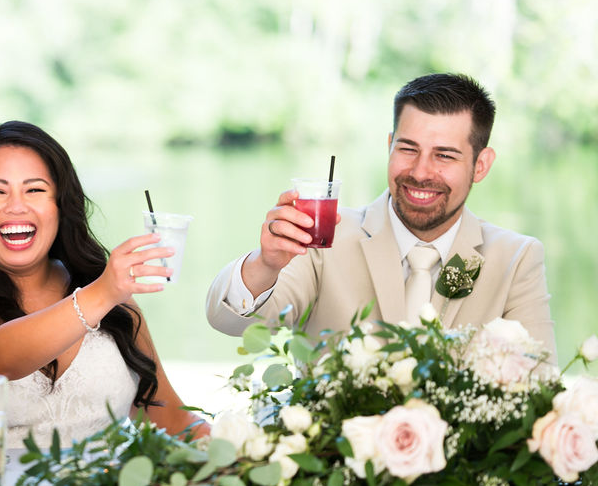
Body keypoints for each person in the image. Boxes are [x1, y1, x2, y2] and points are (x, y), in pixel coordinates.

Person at [206, 72, 557, 360]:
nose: (420, 172)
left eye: (444, 156)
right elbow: (231, 323)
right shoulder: (322, 238)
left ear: (481, 165)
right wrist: (266, 264)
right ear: (390, 144)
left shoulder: (516, 258)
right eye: (408, 148)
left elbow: (540, 384)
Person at [0, 121, 207, 447]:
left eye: (35, 190)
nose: (16, 206)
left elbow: (173, 421)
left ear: (60, 205)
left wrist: (245, 448)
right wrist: (103, 292)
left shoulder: (113, 299)